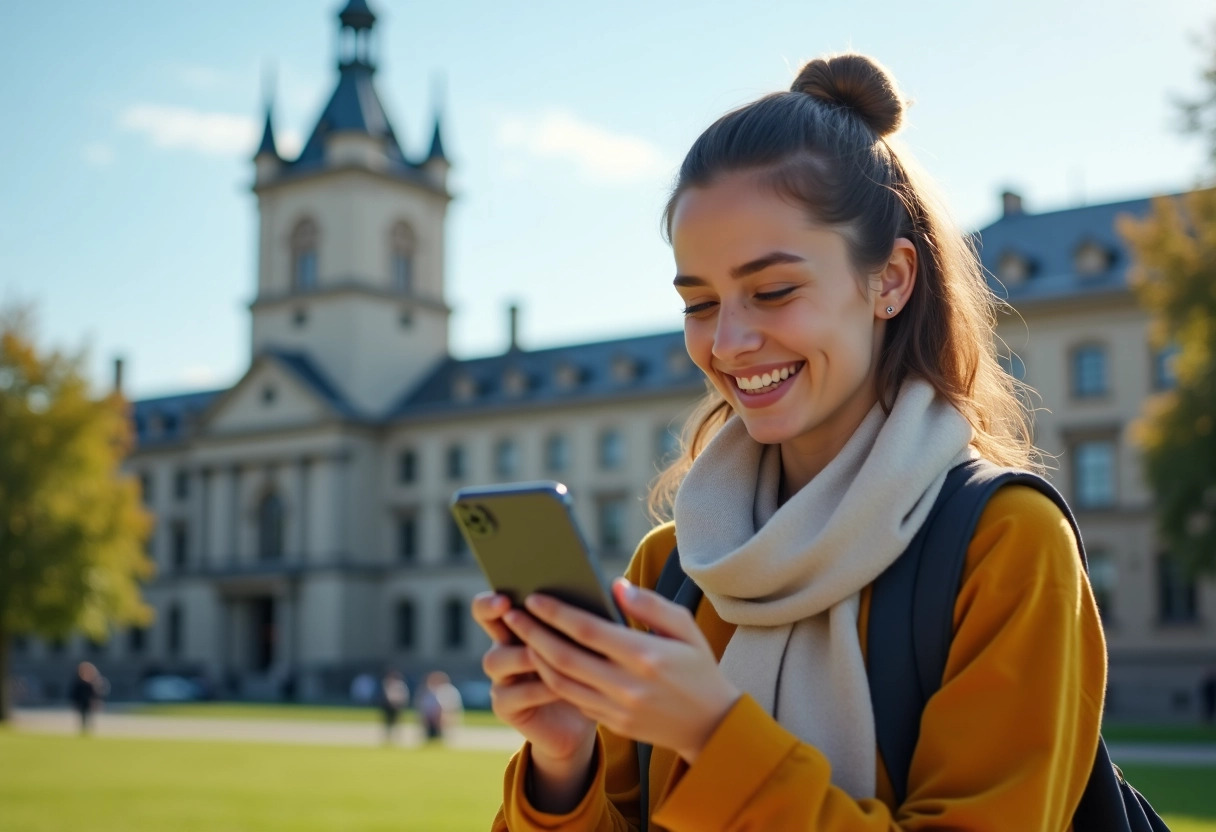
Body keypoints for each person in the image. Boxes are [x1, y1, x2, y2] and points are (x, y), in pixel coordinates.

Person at [473, 53, 1107, 830]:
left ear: (892, 280)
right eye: (699, 303)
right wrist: (562, 766)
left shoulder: (1005, 545)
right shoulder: (671, 569)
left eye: (773, 291)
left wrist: (712, 735)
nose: (730, 342)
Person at [416, 671, 463, 743]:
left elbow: (452, 706)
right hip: (430, 718)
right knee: (430, 736)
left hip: (444, 717)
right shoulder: (429, 690)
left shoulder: (449, 690)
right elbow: (423, 705)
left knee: (443, 735)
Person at [68, 661, 104, 735]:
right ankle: (83, 730)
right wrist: (75, 702)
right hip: (81, 702)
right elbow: (75, 693)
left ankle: (88, 730)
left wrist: (96, 702)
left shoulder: (92, 683)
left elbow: (95, 694)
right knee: (82, 717)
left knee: (89, 717)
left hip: (88, 702)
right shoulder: (79, 682)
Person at [378, 670, 409, 745]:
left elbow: (403, 695)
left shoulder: (400, 685)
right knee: (387, 723)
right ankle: (387, 738)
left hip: (397, 705)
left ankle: (397, 738)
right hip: (388, 705)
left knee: (397, 722)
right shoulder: (387, 683)